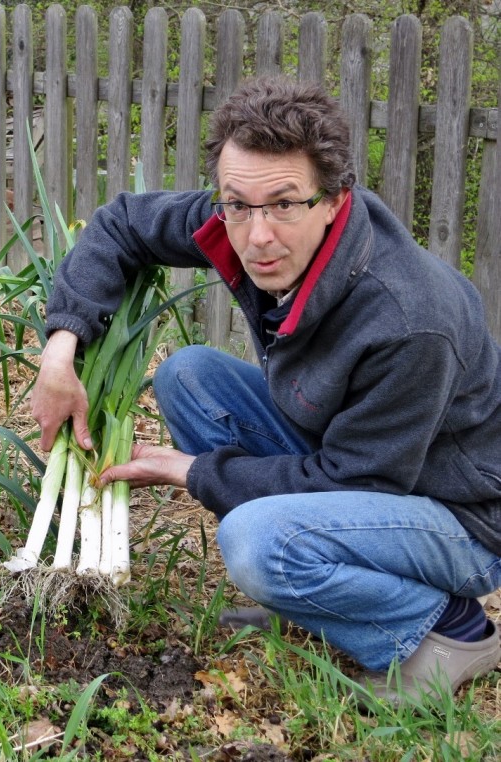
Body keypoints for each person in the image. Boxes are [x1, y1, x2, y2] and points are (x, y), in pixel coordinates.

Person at [30, 75, 501, 704]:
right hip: (358, 458)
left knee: (257, 545)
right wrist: (61, 350)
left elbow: (359, 483)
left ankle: (447, 629)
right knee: (189, 377)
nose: (257, 236)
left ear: (334, 199)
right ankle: (317, 596)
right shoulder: (246, 218)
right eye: (238, 204)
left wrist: (195, 471)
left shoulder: (410, 321)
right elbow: (121, 224)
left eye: (284, 203)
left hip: (459, 513)